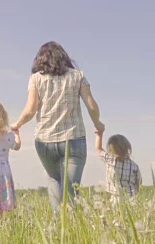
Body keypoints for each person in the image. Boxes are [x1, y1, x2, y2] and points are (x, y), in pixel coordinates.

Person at [11, 41, 105, 215]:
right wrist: (98, 124)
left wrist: (17, 124)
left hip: (44, 141)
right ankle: (69, 227)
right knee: (71, 186)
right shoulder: (78, 76)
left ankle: (57, 224)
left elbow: (31, 110)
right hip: (74, 137)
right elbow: (91, 105)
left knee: (54, 179)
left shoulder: (36, 78)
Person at [94, 129, 141, 204]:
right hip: (131, 199)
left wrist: (99, 134)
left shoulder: (109, 159)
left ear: (110, 149)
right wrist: (137, 196)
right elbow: (138, 183)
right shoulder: (134, 166)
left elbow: (98, 148)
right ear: (128, 148)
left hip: (115, 199)